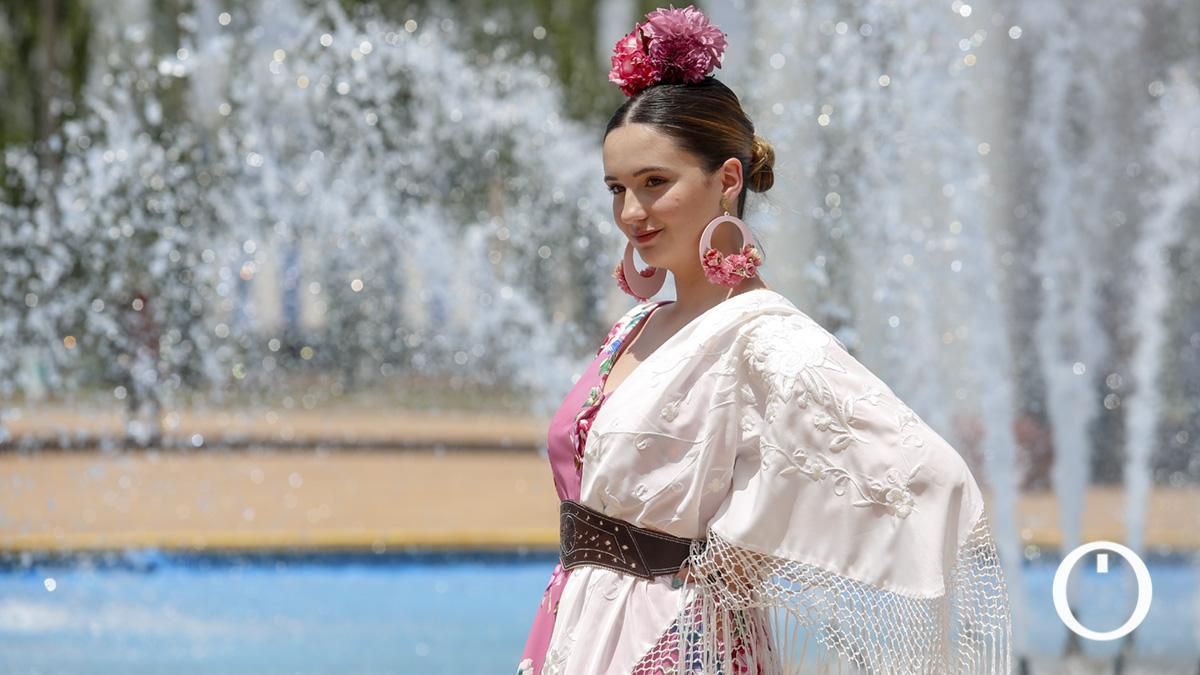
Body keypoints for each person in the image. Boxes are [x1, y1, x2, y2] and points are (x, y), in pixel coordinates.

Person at [517, 6, 1012, 674]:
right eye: (618, 189)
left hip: (673, 642)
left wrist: (740, 549)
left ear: (727, 180)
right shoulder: (637, 324)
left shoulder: (762, 333)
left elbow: (929, 475)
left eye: (655, 183)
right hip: (578, 624)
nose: (631, 212)